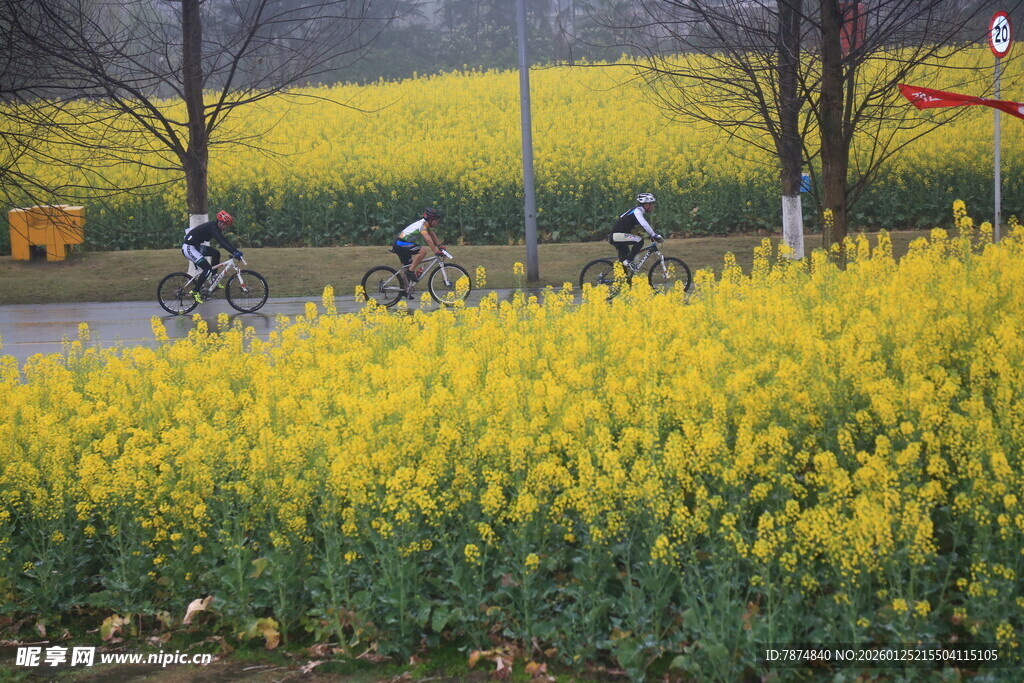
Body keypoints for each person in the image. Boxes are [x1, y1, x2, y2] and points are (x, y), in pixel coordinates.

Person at [182, 210, 243, 302]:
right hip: (189, 248)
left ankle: (213, 278)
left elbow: (224, 240)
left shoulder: (216, 228)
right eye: (226, 225)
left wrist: (235, 251)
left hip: (196, 247)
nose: (226, 227)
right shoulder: (212, 227)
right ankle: (195, 291)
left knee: (216, 253)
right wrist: (234, 253)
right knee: (207, 269)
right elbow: (221, 242)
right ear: (221, 222)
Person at [609, 192, 663, 270]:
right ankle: (628, 261)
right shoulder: (637, 212)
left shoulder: (636, 211)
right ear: (647, 205)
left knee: (626, 265)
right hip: (617, 236)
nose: (653, 206)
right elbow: (644, 224)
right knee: (639, 241)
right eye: (652, 204)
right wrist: (654, 235)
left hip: (617, 235)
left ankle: (626, 278)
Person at [391, 208, 444, 285]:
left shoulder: (425, 224)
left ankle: (404, 291)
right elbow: (428, 240)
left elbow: (432, 235)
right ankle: (411, 271)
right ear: (430, 219)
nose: (437, 222)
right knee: (423, 251)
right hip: (400, 244)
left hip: (401, 244)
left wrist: (440, 246)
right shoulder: (422, 226)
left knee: (406, 268)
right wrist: (436, 251)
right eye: (436, 220)